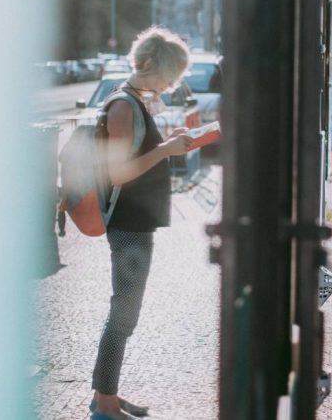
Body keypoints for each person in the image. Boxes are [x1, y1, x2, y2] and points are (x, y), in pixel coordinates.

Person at [91, 27, 195, 420]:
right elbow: (118, 173)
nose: (175, 82)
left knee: (124, 311)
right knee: (124, 313)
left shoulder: (136, 102)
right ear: (152, 64)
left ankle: (106, 394)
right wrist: (166, 150)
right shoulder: (122, 106)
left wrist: (167, 142)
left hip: (138, 221)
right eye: (173, 73)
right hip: (128, 223)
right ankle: (104, 403)